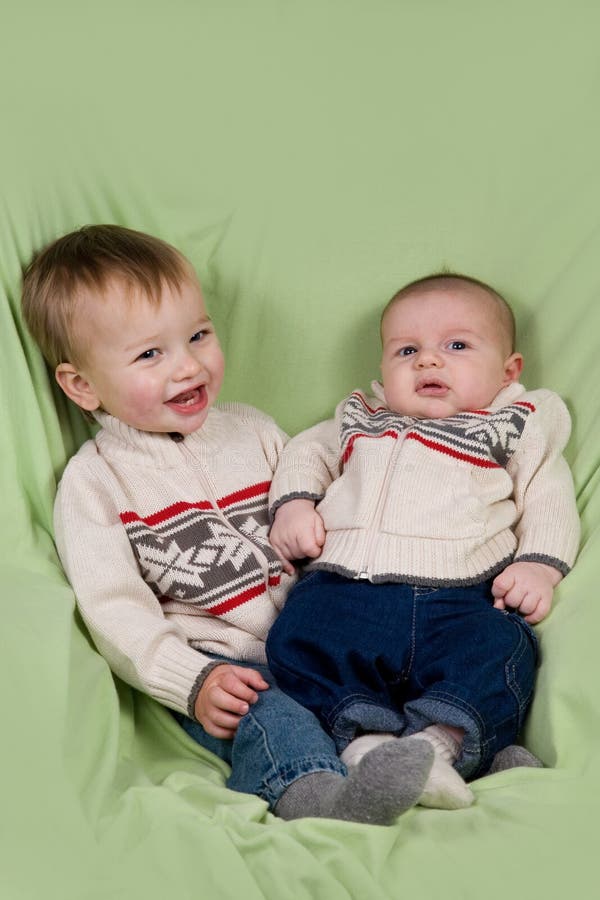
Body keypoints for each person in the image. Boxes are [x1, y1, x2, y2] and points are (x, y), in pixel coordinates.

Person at [20, 224, 438, 825]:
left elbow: (327, 501)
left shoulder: (253, 430)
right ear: (82, 386)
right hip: (228, 667)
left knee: (418, 654)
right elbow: (113, 606)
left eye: (198, 335)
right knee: (269, 716)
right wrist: (191, 679)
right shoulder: (96, 482)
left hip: (319, 637)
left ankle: (465, 749)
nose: (188, 366)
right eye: (149, 354)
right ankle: (317, 796)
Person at [266, 273, 580, 810]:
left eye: (456, 346)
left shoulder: (512, 425)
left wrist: (539, 566)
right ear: (384, 372)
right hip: (347, 587)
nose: (428, 361)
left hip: (462, 597)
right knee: (297, 638)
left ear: (509, 370)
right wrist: (294, 504)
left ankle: (440, 745)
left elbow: (548, 495)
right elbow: (304, 452)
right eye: (407, 349)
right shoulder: (361, 417)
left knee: (501, 650)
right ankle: (367, 747)